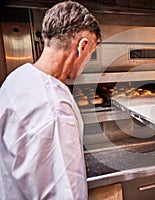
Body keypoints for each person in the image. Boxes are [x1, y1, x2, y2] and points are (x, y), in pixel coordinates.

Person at [0, 1, 101, 199]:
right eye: (91, 54)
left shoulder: (17, 79)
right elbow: (63, 193)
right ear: (82, 46)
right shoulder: (54, 108)